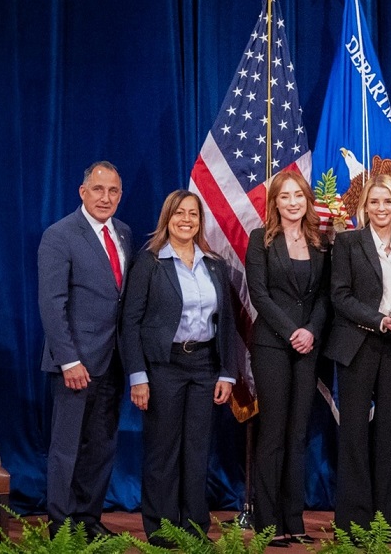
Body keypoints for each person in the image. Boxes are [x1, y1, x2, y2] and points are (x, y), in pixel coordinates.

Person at [120, 190, 238, 545]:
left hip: (205, 366)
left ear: (200, 221)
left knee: (197, 450)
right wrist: (138, 376)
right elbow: (131, 322)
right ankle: (161, 530)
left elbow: (228, 323)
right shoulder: (150, 262)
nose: (186, 219)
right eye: (179, 214)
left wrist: (227, 373)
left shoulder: (214, 263)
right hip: (164, 367)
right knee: (163, 451)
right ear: (167, 219)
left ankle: (194, 529)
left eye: (193, 214)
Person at [325, 174, 391, 541]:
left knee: (388, 435)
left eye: (387, 202)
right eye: (374, 202)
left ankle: (385, 525)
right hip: (358, 344)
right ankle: (352, 525)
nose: (381, 208)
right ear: (364, 208)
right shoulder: (348, 242)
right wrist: (379, 320)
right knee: (353, 434)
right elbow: (340, 295)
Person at [37, 161, 132, 537]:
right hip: (75, 364)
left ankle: (88, 521)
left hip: (113, 363)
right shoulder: (60, 235)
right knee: (66, 448)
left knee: (101, 448)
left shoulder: (123, 233)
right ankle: (61, 527)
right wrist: (69, 360)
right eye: (98, 189)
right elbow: (52, 304)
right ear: (83, 191)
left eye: (113, 191)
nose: (105, 198)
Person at [245, 171, 332, 547]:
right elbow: (258, 295)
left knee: (297, 436)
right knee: (273, 435)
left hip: (307, 345)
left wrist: (310, 330)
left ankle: (294, 521)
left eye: (299, 195)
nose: (293, 202)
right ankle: (268, 524)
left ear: (307, 200)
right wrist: (291, 331)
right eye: (286, 196)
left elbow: (326, 296)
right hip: (272, 345)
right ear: (275, 203)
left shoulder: (320, 241)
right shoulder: (260, 240)